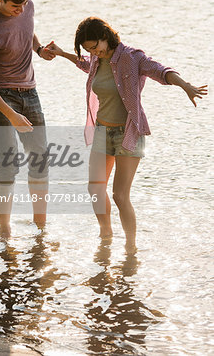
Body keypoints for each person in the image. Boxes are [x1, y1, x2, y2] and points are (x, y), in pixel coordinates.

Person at [48, 17, 208, 254]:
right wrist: (62, 53)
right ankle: (106, 235)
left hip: (128, 133)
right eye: (89, 49)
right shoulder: (96, 60)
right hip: (102, 131)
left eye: (95, 47)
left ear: (106, 37)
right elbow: (85, 63)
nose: (94, 52)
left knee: (120, 195)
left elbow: (160, 70)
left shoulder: (132, 58)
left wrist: (185, 85)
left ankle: (131, 247)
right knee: (94, 189)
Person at [0, 0, 55, 239]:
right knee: (8, 164)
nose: (20, 10)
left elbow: (28, 30)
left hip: (29, 92)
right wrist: (12, 115)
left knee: (40, 160)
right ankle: (5, 229)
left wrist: (40, 49)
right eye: (13, 6)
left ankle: (40, 227)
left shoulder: (27, 6)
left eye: (22, 5)